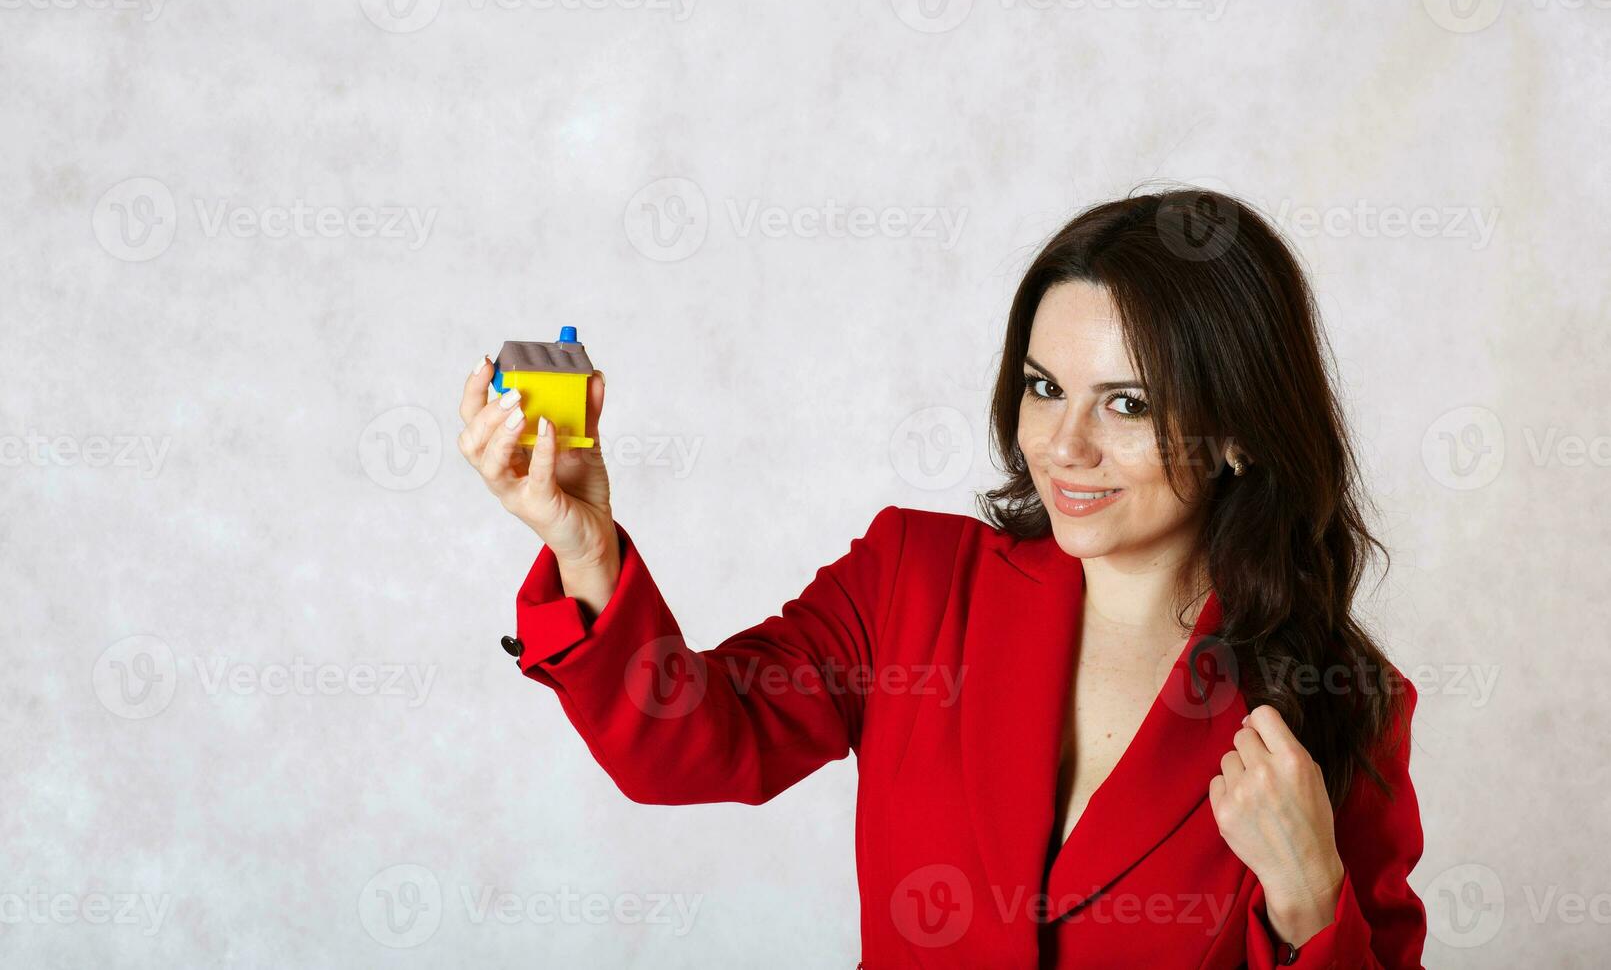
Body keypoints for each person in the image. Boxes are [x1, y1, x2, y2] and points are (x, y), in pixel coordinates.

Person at [456, 189, 1427, 968]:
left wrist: (1311, 906)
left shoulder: (1342, 702)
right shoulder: (913, 582)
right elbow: (688, 744)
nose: (1065, 444)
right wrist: (584, 546)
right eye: (1044, 387)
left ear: (1237, 431)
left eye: (1126, 402)